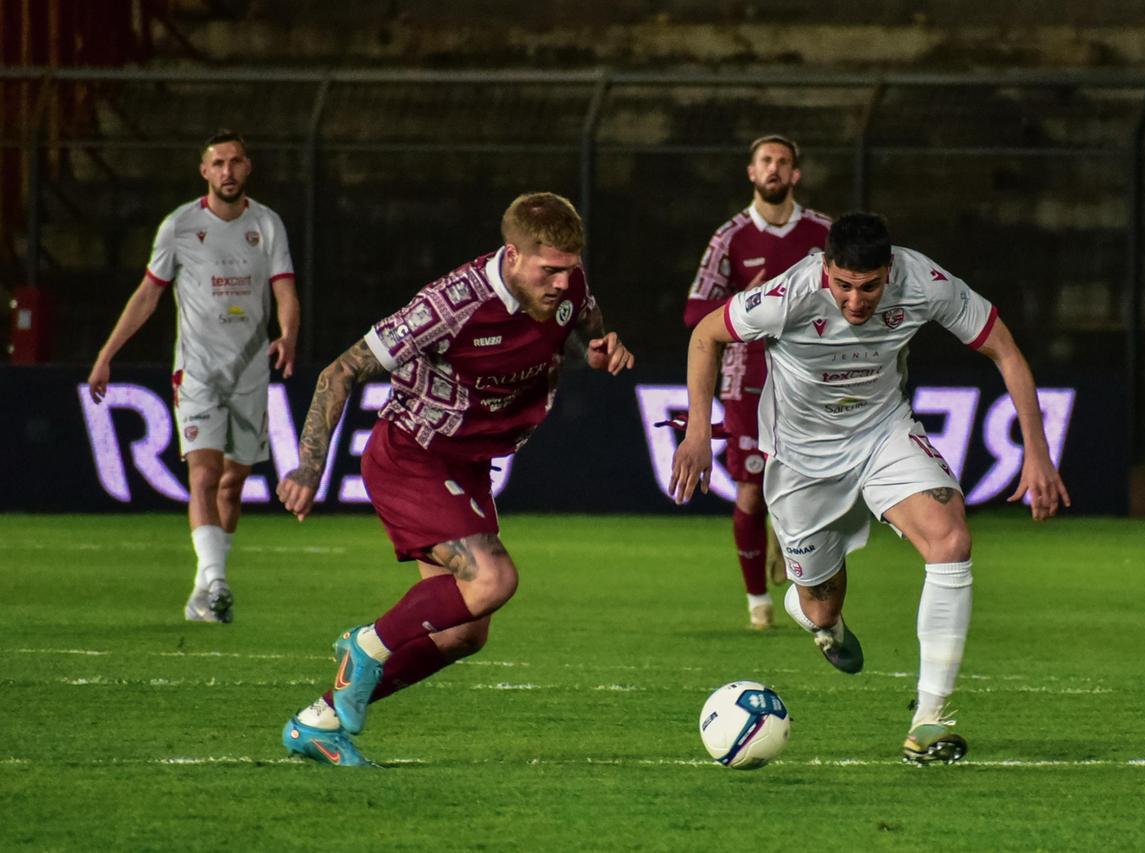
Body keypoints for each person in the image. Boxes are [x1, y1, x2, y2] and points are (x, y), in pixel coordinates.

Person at [669, 212, 1069, 765]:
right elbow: (705, 334)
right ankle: (817, 620)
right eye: (843, 285)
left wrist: (1038, 452)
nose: (855, 301)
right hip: (801, 461)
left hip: (883, 436)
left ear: (891, 270)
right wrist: (696, 433)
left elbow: (1004, 348)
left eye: (870, 286)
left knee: (950, 538)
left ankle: (929, 719)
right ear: (826, 269)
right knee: (823, 603)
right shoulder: (790, 294)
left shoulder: (924, 282)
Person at [276, 192, 634, 766]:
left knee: (462, 635)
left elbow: (585, 331)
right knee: (492, 581)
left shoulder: (568, 283)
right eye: (550, 271)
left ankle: (316, 723)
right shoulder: (450, 304)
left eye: (570, 269)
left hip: (464, 466)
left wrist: (600, 351)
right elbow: (339, 370)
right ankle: (363, 646)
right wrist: (309, 466)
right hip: (411, 457)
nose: (564, 283)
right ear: (512, 255)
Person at [88, 129, 299, 625]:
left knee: (234, 483)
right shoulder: (180, 226)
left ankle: (203, 590)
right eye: (218, 163)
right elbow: (148, 295)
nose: (228, 171)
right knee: (203, 475)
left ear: (248, 167)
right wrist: (106, 354)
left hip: (249, 371)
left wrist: (288, 334)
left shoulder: (267, 224)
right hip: (197, 370)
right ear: (204, 171)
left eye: (236, 162)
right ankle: (219, 581)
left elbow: (285, 287)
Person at [684, 134, 831, 630]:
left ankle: (803, 579)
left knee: (807, 495)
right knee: (750, 494)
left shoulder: (823, 234)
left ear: (795, 175)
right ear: (751, 172)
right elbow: (694, 313)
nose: (773, 168)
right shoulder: (729, 237)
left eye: (783, 162)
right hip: (748, 382)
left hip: (811, 383)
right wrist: (740, 305)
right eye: (765, 161)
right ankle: (757, 605)